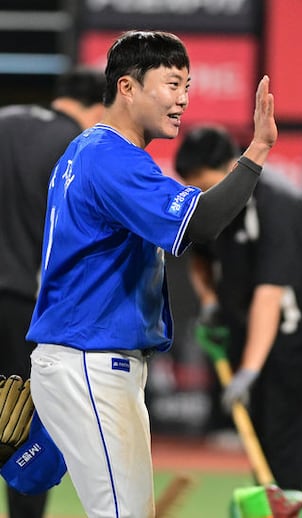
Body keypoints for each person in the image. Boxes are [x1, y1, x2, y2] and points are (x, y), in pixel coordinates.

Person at [26, 30, 277, 518]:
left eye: (188, 86)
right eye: (171, 84)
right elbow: (202, 222)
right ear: (127, 87)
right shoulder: (111, 158)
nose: (182, 99)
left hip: (80, 358)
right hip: (90, 361)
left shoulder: (87, 149)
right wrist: (258, 151)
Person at [174, 125, 302, 492]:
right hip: (256, 322)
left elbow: (270, 294)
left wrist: (248, 371)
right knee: (261, 434)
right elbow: (200, 259)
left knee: (286, 437)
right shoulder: (211, 203)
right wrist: (210, 302)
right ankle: (269, 502)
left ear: (232, 169)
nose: (203, 197)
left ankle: (284, 503)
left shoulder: (278, 203)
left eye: (207, 186)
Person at [0, 67, 105, 518]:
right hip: (24, 304)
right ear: (98, 108)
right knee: (22, 425)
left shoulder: (4, 120)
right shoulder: (77, 147)